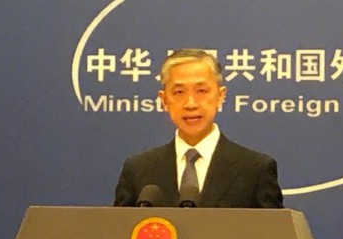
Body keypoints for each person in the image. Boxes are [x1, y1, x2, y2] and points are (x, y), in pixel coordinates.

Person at [114, 48, 283, 208]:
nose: (191, 104)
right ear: (164, 100)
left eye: (201, 91)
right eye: (179, 92)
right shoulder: (137, 170)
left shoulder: (255, 170)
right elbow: (119, 227)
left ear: (220, 96)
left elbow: (272, 229)